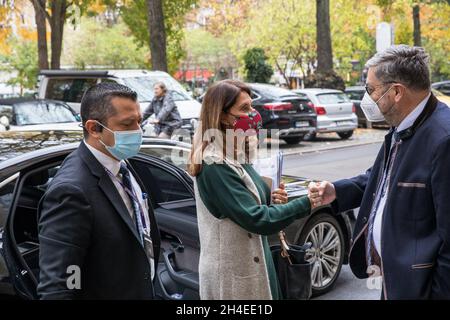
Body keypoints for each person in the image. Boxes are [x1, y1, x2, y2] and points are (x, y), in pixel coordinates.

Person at [308, 45, 450, 299]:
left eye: (371, 90)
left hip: (421, 289)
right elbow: (382, 179)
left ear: (396, 92)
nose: (367, 99)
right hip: (394, 283)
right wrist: (336, 191)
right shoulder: (404, 125)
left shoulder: (443, 139)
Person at [188, 79, 315, 300]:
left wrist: (274, 201)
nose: (253, 114)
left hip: (255, 263)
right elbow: (256, 219)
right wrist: (307, 202)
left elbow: (252, 204)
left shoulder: (235, 154)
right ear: (222, 115)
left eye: (252, 106)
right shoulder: (214, 164)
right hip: (233, 276)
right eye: (244, 109)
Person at [37, 82, 160, 299]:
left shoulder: (120, 162)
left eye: (139, 121)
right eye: (127, 124)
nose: (138, 131)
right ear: (94, 128)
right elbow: (60, 283)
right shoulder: (71, 190)